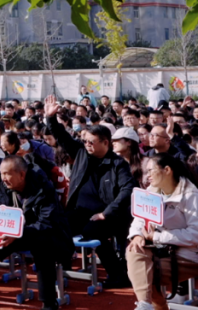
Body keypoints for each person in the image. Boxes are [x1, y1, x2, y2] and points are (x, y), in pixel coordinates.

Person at [46, 94, 136, 288]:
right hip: (79, 211)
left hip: (108, 216)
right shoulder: (81, 152)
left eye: (91, 142)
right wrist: (51, 118)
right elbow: (61, 136)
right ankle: (62, 269)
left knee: (92, 231)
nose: (87, 145)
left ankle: (118, 275)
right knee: (55, 225)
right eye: (86, 141)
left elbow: (128, 189)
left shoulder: (117, 163)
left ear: (106, 143)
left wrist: (106, 213)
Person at [0, 157, 74, 309]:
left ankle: (49, 301)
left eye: (7, 174)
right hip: (17, 232)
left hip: (50, 234)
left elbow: (46, 223)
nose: (3, 178)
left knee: (43, 244)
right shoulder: (4, 187)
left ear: (22, 175)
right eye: (1, 174)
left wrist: (17, 234)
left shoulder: (43, 188)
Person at [126, 152, 198, 310]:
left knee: (144, 274)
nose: (147, 175)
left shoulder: (191, 194)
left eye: (151, 170)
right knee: (134, 250)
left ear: (167, 170)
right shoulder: (152, 190)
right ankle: (145, 305)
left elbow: (196, 234)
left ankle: (150, 306)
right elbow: (138, 219)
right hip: (162, 249)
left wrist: (157, 236)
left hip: (188, 253)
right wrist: (137, 235)